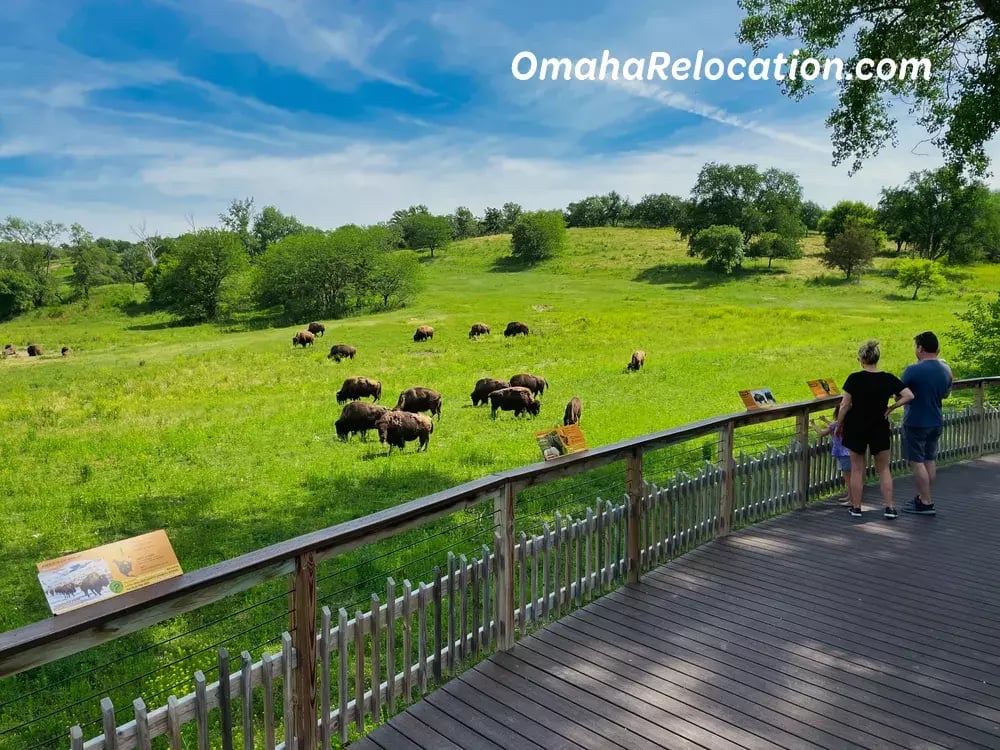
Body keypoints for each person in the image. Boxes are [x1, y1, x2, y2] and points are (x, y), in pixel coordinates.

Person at [835, 340, 915, 519]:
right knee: (884, 469)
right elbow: (909, 395)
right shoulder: (888, 378)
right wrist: (892, 407)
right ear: (877, 359)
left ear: (861, 359)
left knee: (856, 468)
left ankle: (856, 507)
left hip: (856, 426)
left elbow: (845, 405)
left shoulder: (854, 379)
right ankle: (890, 507)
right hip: (879, 424)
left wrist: (839, 424)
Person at [900, 331, 953, 515]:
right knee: (930, 460)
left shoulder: (912, 370)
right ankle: (923, 497)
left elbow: (898, 393)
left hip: (915, 421)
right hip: (936, 419)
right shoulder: (945, 369)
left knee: (917, 462)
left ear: (920, 348)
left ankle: (926, 502)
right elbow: (946, 393)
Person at [810, 403, 852, 505]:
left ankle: (852, 500)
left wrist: (813, 425)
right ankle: (850, 496)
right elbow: (833, 426)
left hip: (843, 454)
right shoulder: (851, 423)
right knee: (852, 476)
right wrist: (825, 420)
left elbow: (822, 433)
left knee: (848, 479)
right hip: (851, 453)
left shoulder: (836, 425)